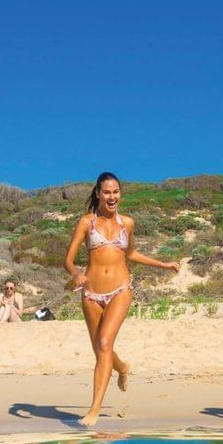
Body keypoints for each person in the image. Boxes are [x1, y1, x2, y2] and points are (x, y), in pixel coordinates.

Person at [63, 172, 182, 426]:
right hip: (91, 293)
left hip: (120, 289)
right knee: (101, 350)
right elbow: (68, 260)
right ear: (98, 194)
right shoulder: (86, 223)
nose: (112, 196)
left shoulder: (127, 223)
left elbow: (132, 253)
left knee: (105, 342)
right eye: (107, 192)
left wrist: (163, 264)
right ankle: (123, 368)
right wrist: (75, 274)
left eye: (116, 192)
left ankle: (94, 410)